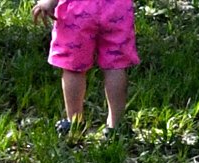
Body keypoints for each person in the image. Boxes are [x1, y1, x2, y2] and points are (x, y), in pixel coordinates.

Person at [31, 0, 139, 136]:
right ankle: (116, 126)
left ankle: (74, 122)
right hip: (117, 8)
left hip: (78, 8)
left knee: (73, 66)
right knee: (115, 66)